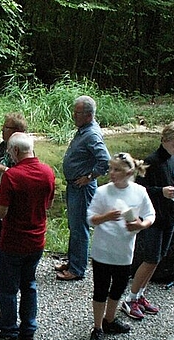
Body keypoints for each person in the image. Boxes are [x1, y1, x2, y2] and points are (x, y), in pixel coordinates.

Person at [0, 133, 55, 340]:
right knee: (29, 284)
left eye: (9, 152)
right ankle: (28, 330)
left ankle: (8, 332)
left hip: (14, 241)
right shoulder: (48, 172)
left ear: (15, 151)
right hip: (37, 240)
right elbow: (48, 206)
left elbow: (2, 213)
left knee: (7, 288)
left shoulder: (12, 176)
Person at [123, 121, 174, 320]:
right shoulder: (151, 161)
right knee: (150, 259)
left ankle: (140, 295)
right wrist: (160, 191)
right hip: (152, 218)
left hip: (170, 217)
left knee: (158, 259)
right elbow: (138, 190)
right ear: (164, 140)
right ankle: (129, 299)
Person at [86, 153, 155, 340]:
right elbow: (90, 219)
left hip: (124, 251)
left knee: (118, 288)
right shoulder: (102, 192)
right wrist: (106, 217)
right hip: (102, 250)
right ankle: (97, 327)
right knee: (100, 289)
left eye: (116, 170)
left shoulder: (139, 192)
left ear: (130, 172)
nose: (112, 173)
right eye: (110, 169)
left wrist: (141, 225)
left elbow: (150, 215)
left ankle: (110, 319)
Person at [57, 95, 110, 281]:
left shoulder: (92, 134)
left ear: (88, 115)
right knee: (74, 225)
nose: (73, 115)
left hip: (82, 188)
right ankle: (73, 261)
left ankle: (77, 269)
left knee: (79, 227)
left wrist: (90, 176)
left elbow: (105, 160)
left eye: (77, 113)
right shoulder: (84, 130)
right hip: (75, 186)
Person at [0, 112, 29, 319]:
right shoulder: (3, 147)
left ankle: (3, 310)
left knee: (5, 261)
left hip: (10, 208)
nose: (2, 130)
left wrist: (4, 169)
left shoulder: (24, 149)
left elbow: (23, 174)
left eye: (6, 128)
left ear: (16, 132)